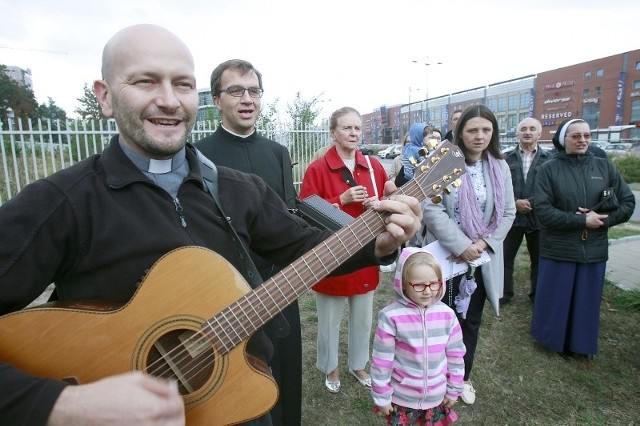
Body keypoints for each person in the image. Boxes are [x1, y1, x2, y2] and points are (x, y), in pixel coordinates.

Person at [0, 24, 423, 425]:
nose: (169, 100)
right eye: (145, 81)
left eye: (182, 84)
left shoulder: (243, 191)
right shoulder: (63, 203)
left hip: (235, 404)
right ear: (106, 96)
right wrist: (63, 404)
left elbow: (308, 248)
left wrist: (378, 244)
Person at [194, 59, 301, 426]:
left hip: (279, 284)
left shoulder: (278, 153)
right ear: (216, 99)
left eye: (254, 90)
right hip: (224, 293)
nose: (247, 99)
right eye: (236, 90)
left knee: (284, 370)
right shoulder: (197, 156)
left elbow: (288, 217)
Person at [421, 105, 515, 405]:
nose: (480, 136)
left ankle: (462, 377)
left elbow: (508, 211)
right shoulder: (443, 162)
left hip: (482, 258)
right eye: (473, 130)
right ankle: (433, 378)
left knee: (470, 321)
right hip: (449, 258)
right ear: (460, 132)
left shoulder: (500, 166)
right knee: (438, 320)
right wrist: (462, 245)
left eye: (486, 130)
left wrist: (485, 244)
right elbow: (431, 207)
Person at [299, 106, 388, 394]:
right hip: (332, 255)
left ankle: (358, 364)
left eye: (357, 128)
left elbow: (389, 198)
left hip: (365, 252)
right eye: (346, 128)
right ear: (333, 132)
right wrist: (342, 198)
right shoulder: (318, 168)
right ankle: (330, 366)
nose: (353, 133)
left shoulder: (374, 167)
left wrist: (381, 203)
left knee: (363, 318)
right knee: (329, 320)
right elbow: (306, 211)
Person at [530, 118, 635, 360]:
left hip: (594, 249)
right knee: (557, 299)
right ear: (562, 140)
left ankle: (581, 345)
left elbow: (628, 203)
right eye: (575, 136)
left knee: (586, 302)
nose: (582, 140)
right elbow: (543, 212)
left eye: (586, 135)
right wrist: (580, 221)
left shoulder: (605, 167)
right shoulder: (547, 170)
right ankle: (552, 340)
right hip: (559, 248)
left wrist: (603, 220)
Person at [371, 247, 465, 425]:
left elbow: (456, 356)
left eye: (434, 283)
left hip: (436, 397)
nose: (428, 291)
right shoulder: (391, 317)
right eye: (419, 285)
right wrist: (382, 395)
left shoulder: (448, 315)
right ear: (404, 284)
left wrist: (454, 389)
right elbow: (382, 361)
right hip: (402, 397)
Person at [501, 117, 551, 305]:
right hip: (512, 218)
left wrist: (532, 202)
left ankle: (537, 295)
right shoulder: (505, 159)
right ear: (517, 133)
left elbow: (551, 189)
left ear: (539, 134)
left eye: (532, 129)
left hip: (538, 218)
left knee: (539, 259)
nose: (527, 132)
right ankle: (504, 294)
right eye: (523, 129)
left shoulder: (549, 159)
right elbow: (499, 189)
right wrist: (515, 203)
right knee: (506, 258)